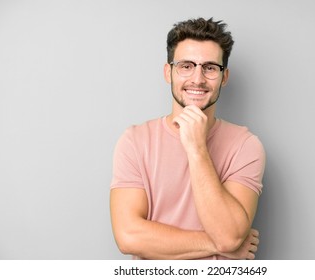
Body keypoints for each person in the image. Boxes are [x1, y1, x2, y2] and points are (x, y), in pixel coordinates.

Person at [110, 17, 266, 260]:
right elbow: (128, 236)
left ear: (224, 77)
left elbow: (228, 234)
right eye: (186, 66)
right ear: (168, 72)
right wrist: (218, 244)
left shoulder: (246, 146)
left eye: (210, 67)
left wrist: (196, 148)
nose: (198, 79)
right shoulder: (135, 141)